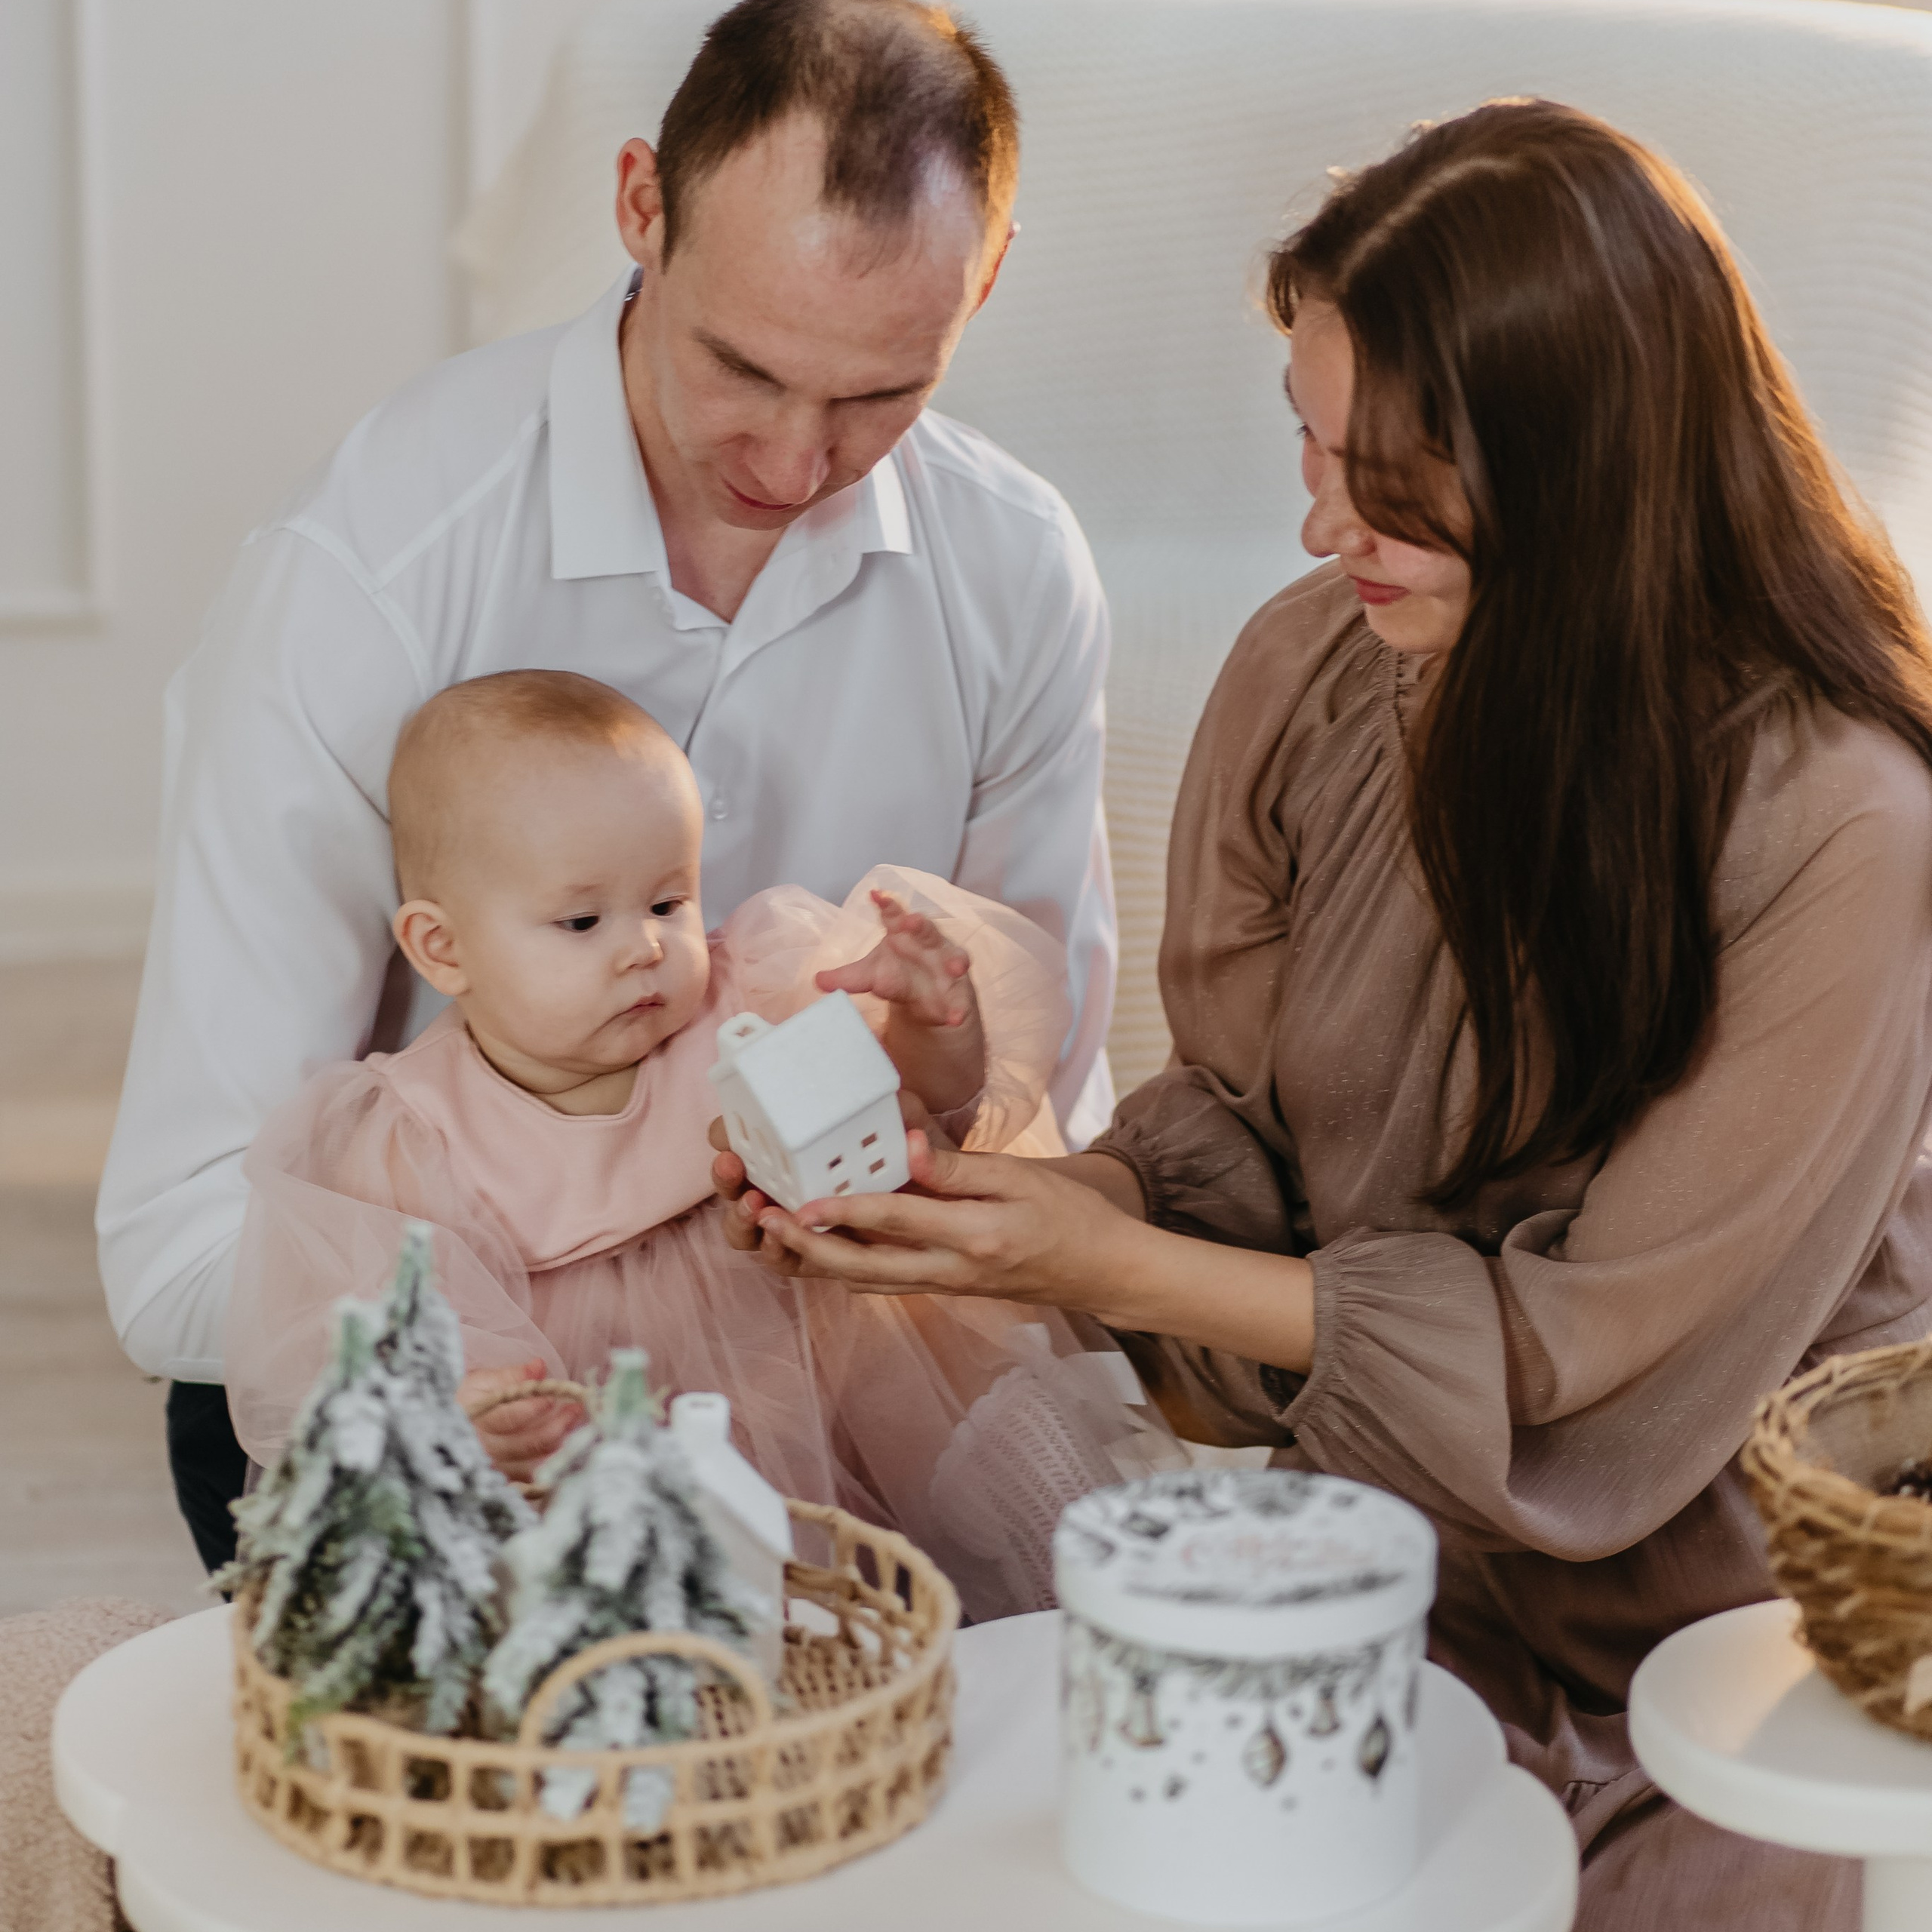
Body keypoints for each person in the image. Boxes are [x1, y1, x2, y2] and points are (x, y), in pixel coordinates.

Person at [715, 100, 1932, 1927]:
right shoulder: (1312, 669)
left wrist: (1097, 1265)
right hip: (1382, 1532)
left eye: (1388, 480)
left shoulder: (1841, 823)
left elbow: (1582, 1369)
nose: (1316, 523)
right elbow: (1240, 1140)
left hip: (1725, 1623)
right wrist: (1009, 1193)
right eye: (1309, 444)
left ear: (1583, 468)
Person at [98, 0, 1118, 1574]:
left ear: (979, 281)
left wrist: (905, 1150)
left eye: (875, 397)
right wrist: (528, 1345)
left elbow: (1040, 1102)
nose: (792, 463)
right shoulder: (373, 562)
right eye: (743, 366)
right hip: (446, 1383)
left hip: (846, 1381)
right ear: (640, 204)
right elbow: (173, 1246)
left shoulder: (1017, 569)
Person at [224, 670, 1172, 1622]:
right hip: (619, 1465)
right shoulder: (407, 1139)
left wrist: (931, 1025)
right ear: (443, 949)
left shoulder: (756, 995)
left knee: (1010, 1495)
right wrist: (479, 1411)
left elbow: (915, 1124)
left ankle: (1091, 1621)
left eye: (668, 902)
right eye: (583, 920)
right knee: (676, 1630)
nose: (644, 946)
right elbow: (385, 1360)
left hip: (849, 1402)